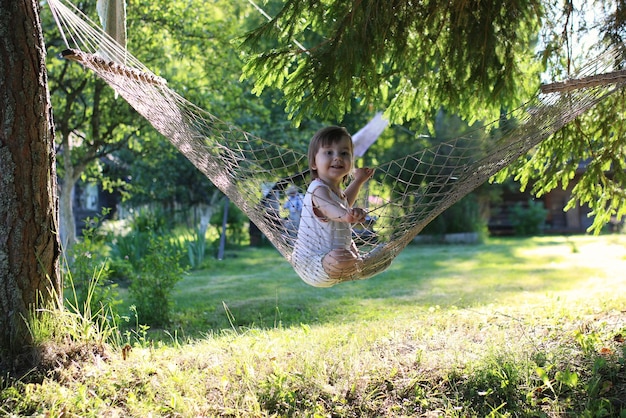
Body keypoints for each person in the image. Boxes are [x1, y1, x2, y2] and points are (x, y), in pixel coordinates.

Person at [292, 126, 374, 287]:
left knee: (347, 251)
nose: (337, 157)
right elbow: (331, 208)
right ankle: (359, 265)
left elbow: (344, 203)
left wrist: (358, 181)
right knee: (342, 256)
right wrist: (347, 215)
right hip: (312, 264)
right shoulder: (318, 190)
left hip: (332, 262)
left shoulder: (335, 191)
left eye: (344, 153)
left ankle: (357, 264)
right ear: (313, 163)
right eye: (329, 152)